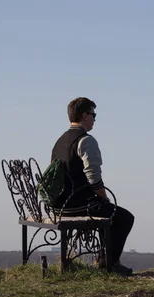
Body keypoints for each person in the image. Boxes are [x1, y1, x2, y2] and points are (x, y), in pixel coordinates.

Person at [50, 97, 134, 275]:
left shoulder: (60, 141)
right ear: (84, 115)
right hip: (78, 205)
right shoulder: (86, 141)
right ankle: (109, 264)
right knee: (124, 217)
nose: (95, 119)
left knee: (108, 211)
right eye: (93, 114)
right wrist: (104, 198)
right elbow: (93, 177)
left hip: (60, 205)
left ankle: (106, 260)